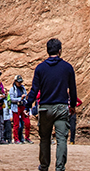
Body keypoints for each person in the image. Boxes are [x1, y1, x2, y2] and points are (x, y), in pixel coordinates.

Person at [26, 38, 77, 171]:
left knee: (44, 139)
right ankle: (59, 167)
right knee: (61, 139)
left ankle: (44, 166)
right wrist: (72, 105)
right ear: (60, 51)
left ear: (47, 50)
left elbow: (34, 89)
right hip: (61, 107)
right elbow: (72, 89)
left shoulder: (40, 68)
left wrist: (27, 105)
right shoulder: (67, 67)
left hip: (45, 108)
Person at [10, 75, 32, 143]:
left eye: (20, 82)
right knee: (16, 124)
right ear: (15, 81)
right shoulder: (12, 89)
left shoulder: (23, 88)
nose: (19, 83)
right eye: (18, 82)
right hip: (16, 107)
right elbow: (12, 99)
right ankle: (16, 139)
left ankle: (27, 137)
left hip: (23, 106)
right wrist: (20, 99)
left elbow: (25, 96)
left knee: (27, 122)